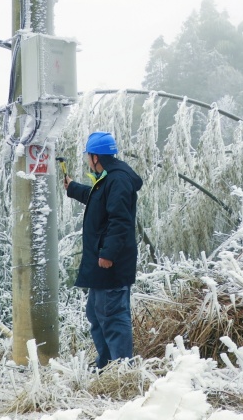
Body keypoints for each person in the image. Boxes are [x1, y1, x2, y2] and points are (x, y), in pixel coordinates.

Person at [64, 131, 143, 369]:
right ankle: (106, 365)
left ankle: (122, 370)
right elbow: (99, 200)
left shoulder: (117, 180)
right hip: (100, 264)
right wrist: (74, 188)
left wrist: (108, 254)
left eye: (89, 156)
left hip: (111, 264)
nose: (88, 160)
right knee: (98, 316)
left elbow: (120, 220)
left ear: (95, 157)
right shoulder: (109, 178)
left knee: (113, 316)